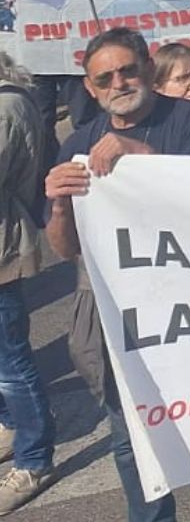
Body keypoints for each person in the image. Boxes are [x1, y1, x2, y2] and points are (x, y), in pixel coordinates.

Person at [45, 30, 190, 522]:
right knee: (130, 437)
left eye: (127, 70)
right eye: (104, 78)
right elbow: (66, 249)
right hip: (118, 317)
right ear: (90, 89)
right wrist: (60, 206)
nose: (118, 83)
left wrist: (138, 152)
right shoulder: (78, 143)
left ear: (148, 69)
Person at [0, 55, 55, 514]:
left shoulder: (7, 106)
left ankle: (34, 459)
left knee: (11, 362)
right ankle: (9, 425)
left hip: (2, 249)